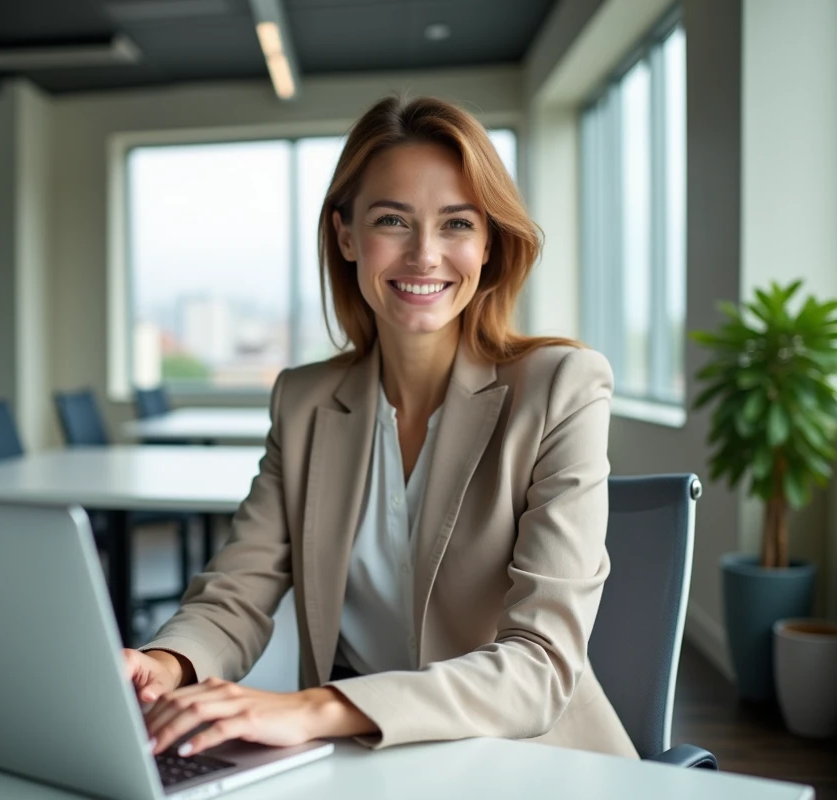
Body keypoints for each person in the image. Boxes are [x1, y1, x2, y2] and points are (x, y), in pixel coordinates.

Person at [124, 95, 638, 760]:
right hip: (365, 765)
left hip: (529, 762)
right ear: (345, 235)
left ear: (489, 244)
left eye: (456, 224)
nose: (425, 255)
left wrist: (315, 708)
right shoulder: (305, 401)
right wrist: (164, 663)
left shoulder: (561, 386)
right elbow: (237, 593)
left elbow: (539, 666)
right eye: (393, 220)